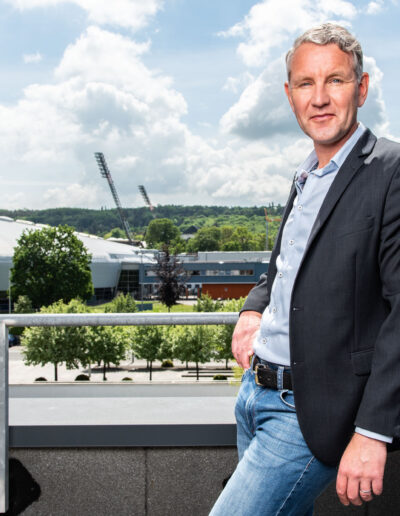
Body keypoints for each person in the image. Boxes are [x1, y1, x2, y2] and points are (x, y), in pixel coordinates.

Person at [210, 23, 400, 516]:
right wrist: (253, 309)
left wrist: (372, 431)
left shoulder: (390, 171)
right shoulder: (306, 177)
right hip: (254, 396)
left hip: (311, 414)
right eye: (305, 84)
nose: (319, 98)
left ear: (361, 87)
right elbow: (283, 271)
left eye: (334, 80)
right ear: (289, 95)